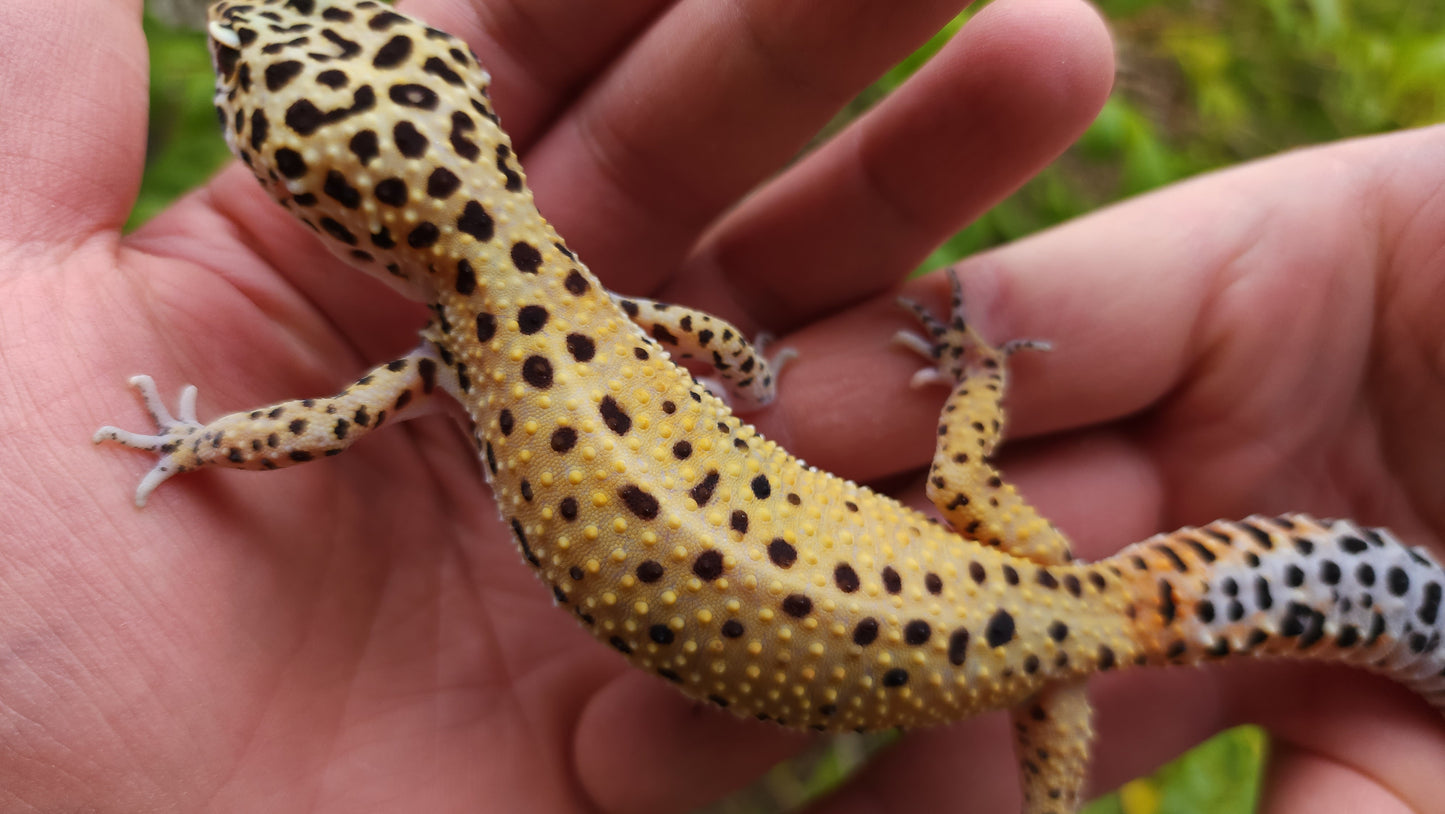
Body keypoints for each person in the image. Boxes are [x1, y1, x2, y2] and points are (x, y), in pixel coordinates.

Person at [3, 0, 1441, 811]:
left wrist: (193, 440)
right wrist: (792, 374)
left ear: (317, 196)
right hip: (1026, 595)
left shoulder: (449, 352)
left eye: (252, 64)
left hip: (1017, 624)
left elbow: (312, 425)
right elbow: (689, 333)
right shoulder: (588, 302)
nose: (242, 35)